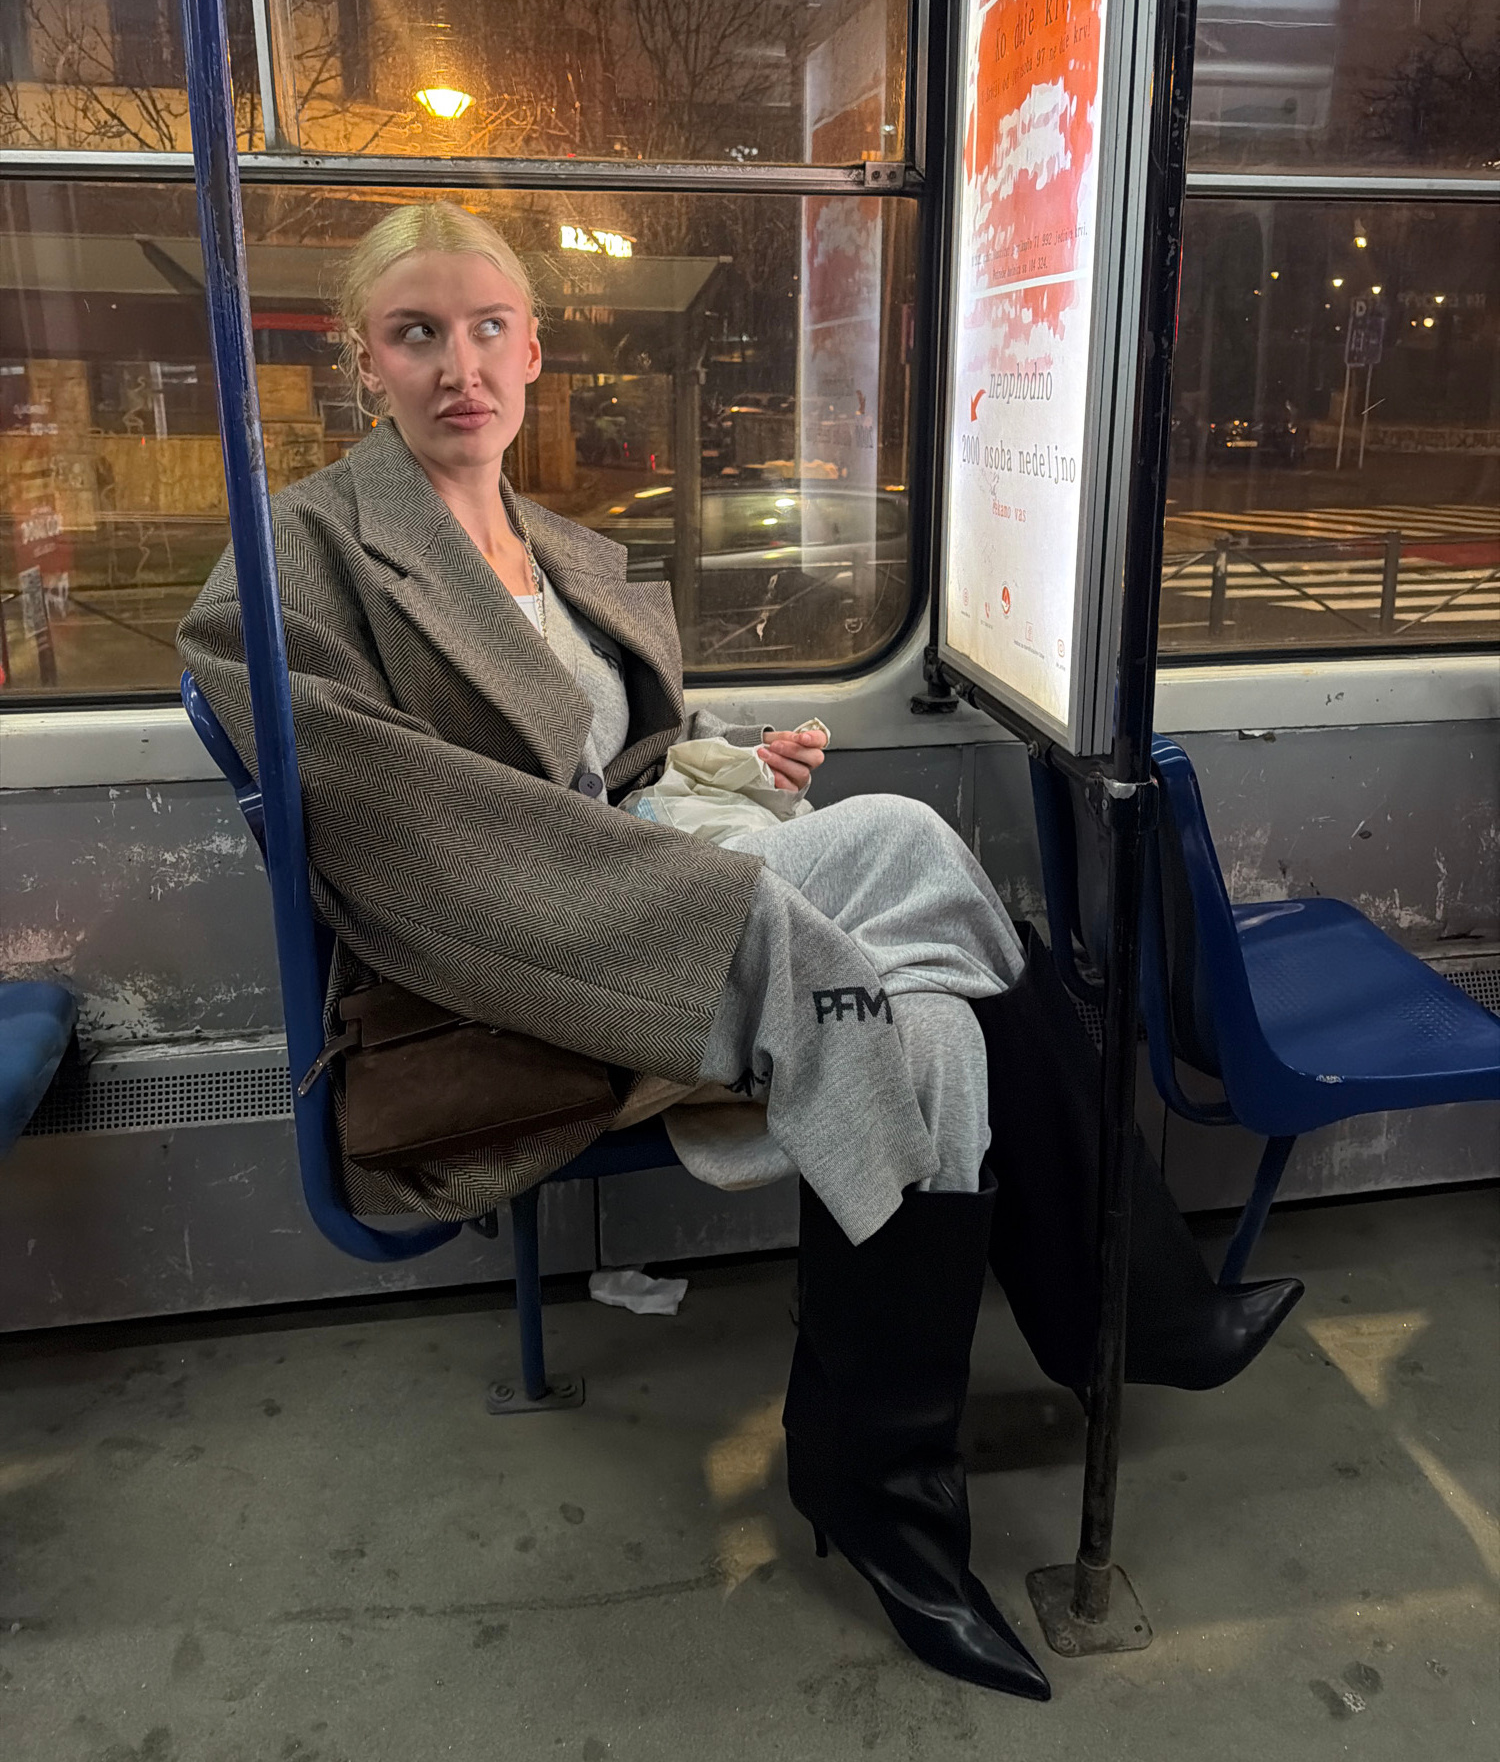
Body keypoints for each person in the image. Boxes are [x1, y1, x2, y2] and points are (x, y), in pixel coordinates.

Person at [180, 202, 1300, 1701]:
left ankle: (883, 1489)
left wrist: (720, 764)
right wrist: (677, 871)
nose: (461, 366)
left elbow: (619, 752)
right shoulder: (296, 560)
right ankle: (1111, 1310)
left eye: (490, 328)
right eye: (417, 334)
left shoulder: (557, 548)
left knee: (934, 1016)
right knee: (912, 861)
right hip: (524, 950)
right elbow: (392, 827)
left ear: (535, 348)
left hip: (657, 875)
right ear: (360, 359)